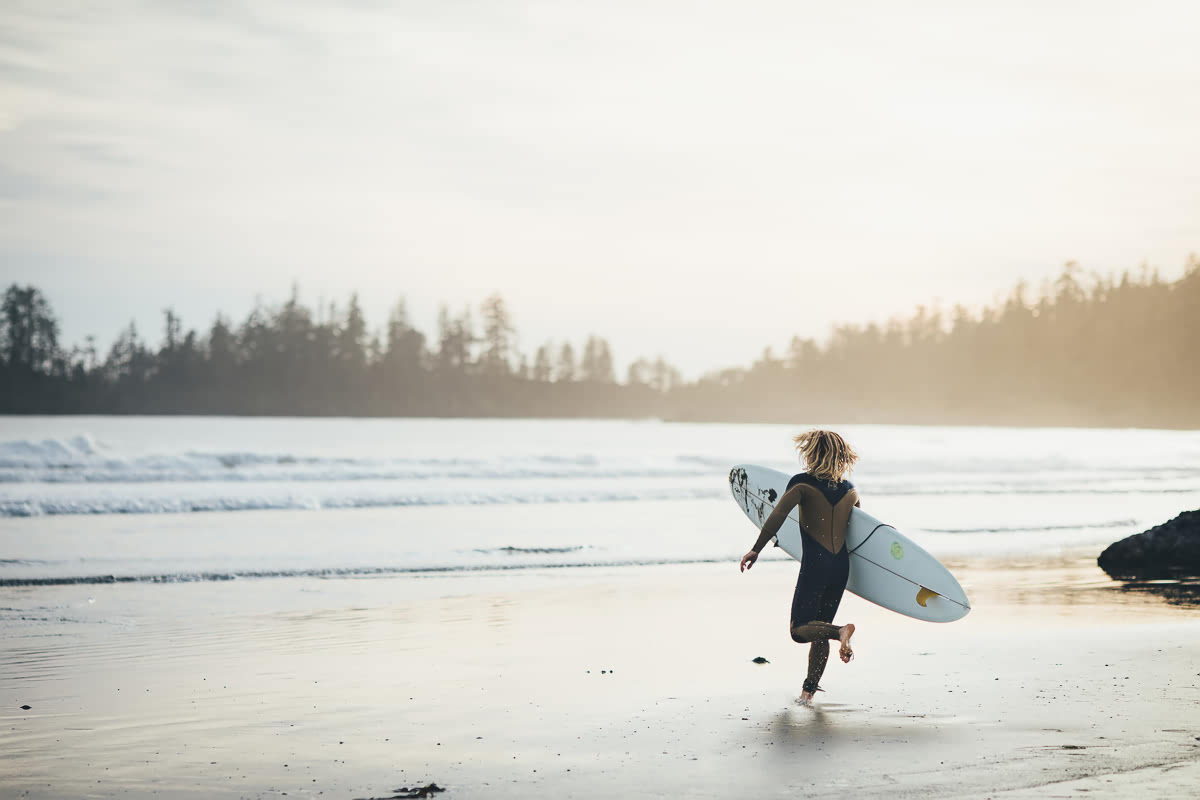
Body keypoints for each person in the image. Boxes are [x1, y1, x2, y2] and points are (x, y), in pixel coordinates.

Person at [740, 429, 860, 704]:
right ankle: (807, 693)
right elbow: (860, 534)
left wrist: (756, 549)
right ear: (841, 455)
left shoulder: (802, 484)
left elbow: (777, 516)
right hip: (841, 566)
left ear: (812, 452)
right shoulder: (851, 490)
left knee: (800, 630)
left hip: (816, 565)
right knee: (818, 629)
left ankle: (840, 631)